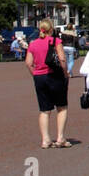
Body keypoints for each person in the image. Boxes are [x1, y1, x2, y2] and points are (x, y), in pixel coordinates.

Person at [25, 19, 72, 148]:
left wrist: (35, 73)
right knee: (61, 107)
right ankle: (60, 137)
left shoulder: (33, 44)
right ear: (51, 29)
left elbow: (28, 63)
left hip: (39, 77)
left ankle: (45, 139)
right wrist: (65, 72)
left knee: (44, 110)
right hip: (55, 75)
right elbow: (62, 58)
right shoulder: (55, 41)